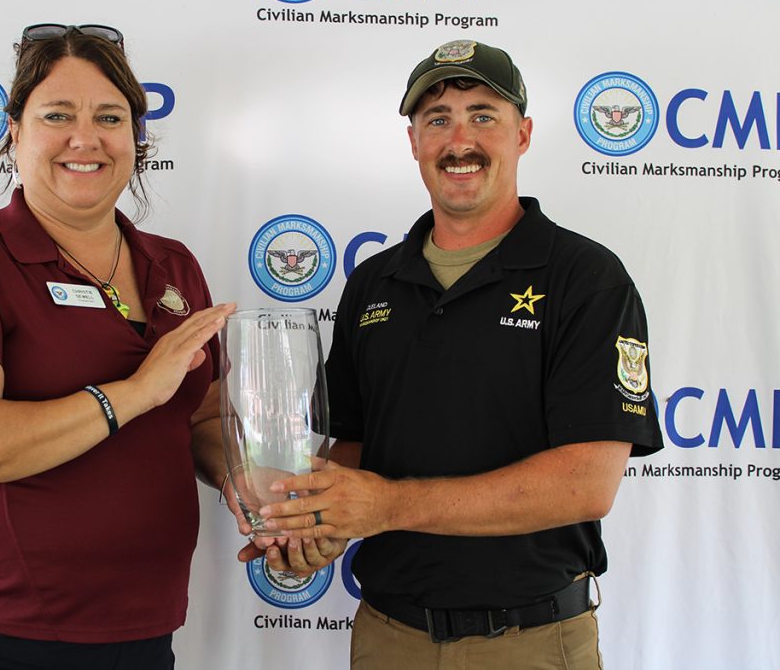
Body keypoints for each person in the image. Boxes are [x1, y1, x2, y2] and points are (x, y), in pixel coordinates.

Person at [254, 40, 664, 668]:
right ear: (414, 141)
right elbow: (353, 448)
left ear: (522, 134)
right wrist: (316, 523)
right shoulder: (373, 282)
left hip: (529, 640)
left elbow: (586, 483)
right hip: (388, 634)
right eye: (437, 119)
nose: (459, 139)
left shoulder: (585, 277)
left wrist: (385, 505)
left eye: (483, 115)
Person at [0, 23, 234, 670]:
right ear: (15, 131)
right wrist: (132, 393)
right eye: (58, 115)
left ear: (135, 137)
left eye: (110, 116)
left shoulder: (174, 265)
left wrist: (252, 485)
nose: (87, 137)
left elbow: (200, 419)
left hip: (142, 626)